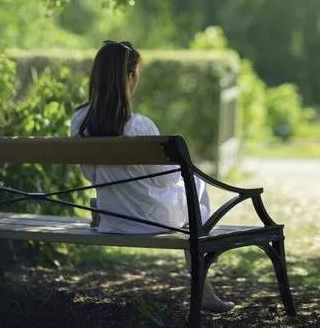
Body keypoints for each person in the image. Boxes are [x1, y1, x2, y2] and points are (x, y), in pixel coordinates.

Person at [70, 40, 234, 313]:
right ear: (131, 76)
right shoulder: (139, 125)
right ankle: (204, 282)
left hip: (113, 218)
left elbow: (89, 173)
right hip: (150, 220)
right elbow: (165, 180)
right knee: (196, 184)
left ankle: (205, 275)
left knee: (191, 192)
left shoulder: (79, 120)